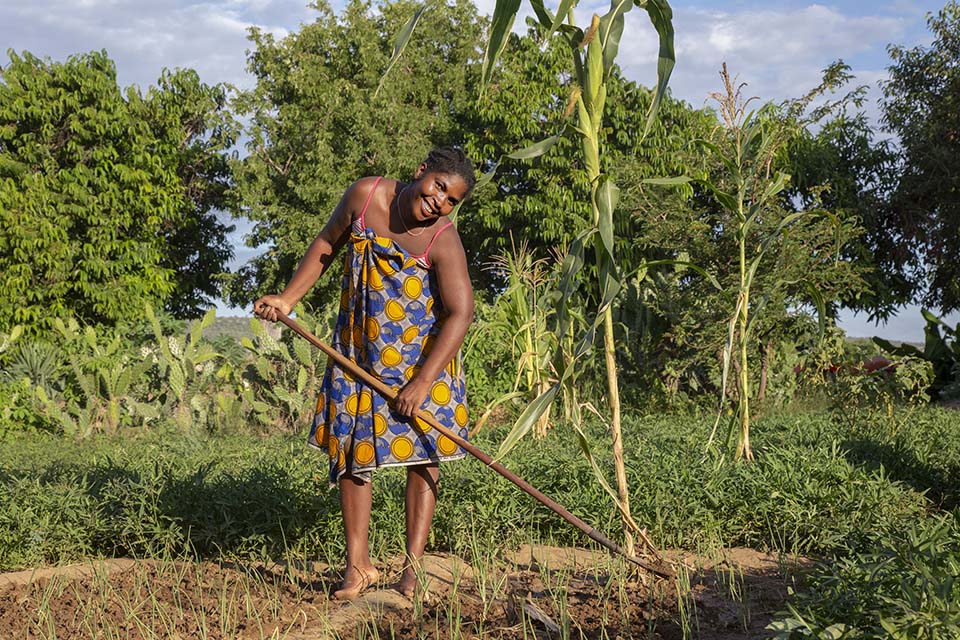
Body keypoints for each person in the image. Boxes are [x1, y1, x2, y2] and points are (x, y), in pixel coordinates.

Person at [253, 147, 476, 601]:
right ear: (420, 171)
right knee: (354, 454)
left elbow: (460, 313)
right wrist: (288, 298)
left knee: (422, 454)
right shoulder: (365, 194)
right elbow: (326, 244)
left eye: (451, 200)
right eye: (438, 188)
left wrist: (421, 383)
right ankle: (358, 567)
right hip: (358, 354)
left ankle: (412, 570)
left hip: (422, 363)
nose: (440, 203)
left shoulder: (443, 240)